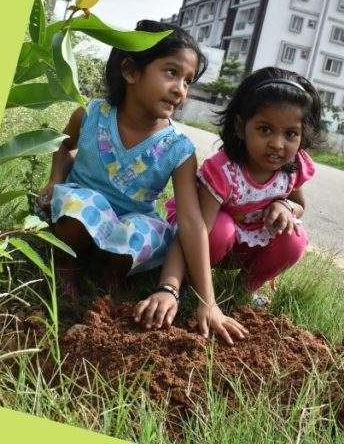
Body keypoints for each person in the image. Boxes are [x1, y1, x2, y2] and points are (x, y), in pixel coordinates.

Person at [37, 20, 246, 341]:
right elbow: (62, 147)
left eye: (188, 81)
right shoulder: (91, 115)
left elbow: (191, 223)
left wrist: (208, 301)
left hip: (127, 221)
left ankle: (109, 275)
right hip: (80, 210)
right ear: (131, 71)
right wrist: (54, 180)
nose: (181, 89)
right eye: (171, 73)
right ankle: (66, 264)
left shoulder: (179, 148)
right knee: (85, 207)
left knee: (146, 231)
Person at [134, 67, 321, 338]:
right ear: (240, 127)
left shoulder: (294, 166)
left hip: (249, 243)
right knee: (221, 229)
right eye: (265, 129)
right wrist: (168, 287)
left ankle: (243, 290)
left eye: (291, 134)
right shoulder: (224, 170)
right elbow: (193, 229)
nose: (278, 144)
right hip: (211, 240)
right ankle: (192, 282)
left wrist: (286, 206)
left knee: (295, 237)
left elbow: (299, 204)